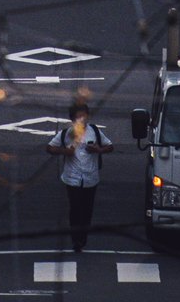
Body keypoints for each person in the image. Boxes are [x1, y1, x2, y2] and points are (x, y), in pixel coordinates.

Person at [47, 100, 113, 252]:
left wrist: (98, 150)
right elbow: (50, 147)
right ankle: (76, 240)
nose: (81, 120)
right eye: (78, 117)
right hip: (72, 178)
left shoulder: (95, 132)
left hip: (91, 178)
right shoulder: (66, 134)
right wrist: (65, 152)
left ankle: (82, 237)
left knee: (87, 210)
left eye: (84, 116)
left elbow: (110, 146)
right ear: (72, 119)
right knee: (75, 209)